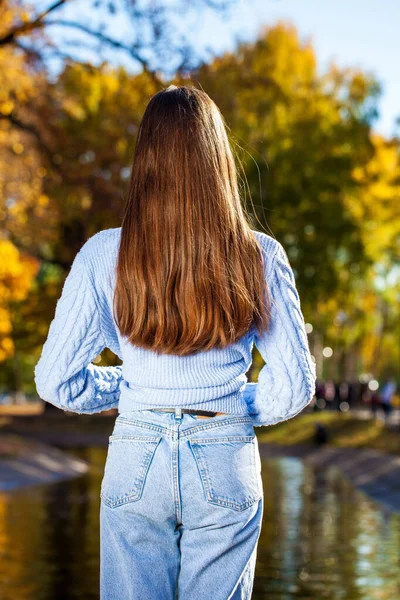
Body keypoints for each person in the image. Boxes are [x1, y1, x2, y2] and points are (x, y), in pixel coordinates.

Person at [34, 85, 317, 600]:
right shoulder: (260, 255)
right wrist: (236, 401)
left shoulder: (103, 253)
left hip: (135, 452)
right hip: (225, 451)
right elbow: (294, 388)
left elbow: (56, 380)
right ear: (219, 159)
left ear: (145, 159)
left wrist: (134, 386)